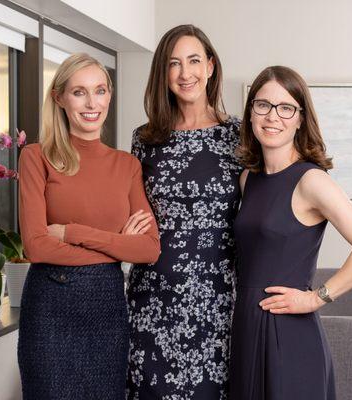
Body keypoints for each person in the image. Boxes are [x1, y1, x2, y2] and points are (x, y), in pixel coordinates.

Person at [230, 65, 352, 399]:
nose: (273, 117)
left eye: (286, 108)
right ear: (251, 112)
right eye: (262, 105)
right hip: (245, 327)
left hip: (288, 332)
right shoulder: (248, 178)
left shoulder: (311, 181)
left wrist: (316, 298)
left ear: (301, 118)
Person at [17, 53, 160, 400]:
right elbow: (36, 246)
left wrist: (71, 233)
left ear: (109, 95)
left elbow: (148, 249)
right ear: (60, 98)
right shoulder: (36, 157)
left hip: (106, 309)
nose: (92, 103)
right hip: (50, 307)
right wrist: (115, 245)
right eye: (79, 92)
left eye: (99, 90)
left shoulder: (126, 165)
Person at [127, 25, 243, 399]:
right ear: (163, 73)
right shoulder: (144, 140)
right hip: (152, 299)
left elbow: (264, 210)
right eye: (174, 64)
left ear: (210, 66)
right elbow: (131, 212)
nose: (185, 73)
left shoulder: (240, 137)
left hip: (217, 302)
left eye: (194, 60)